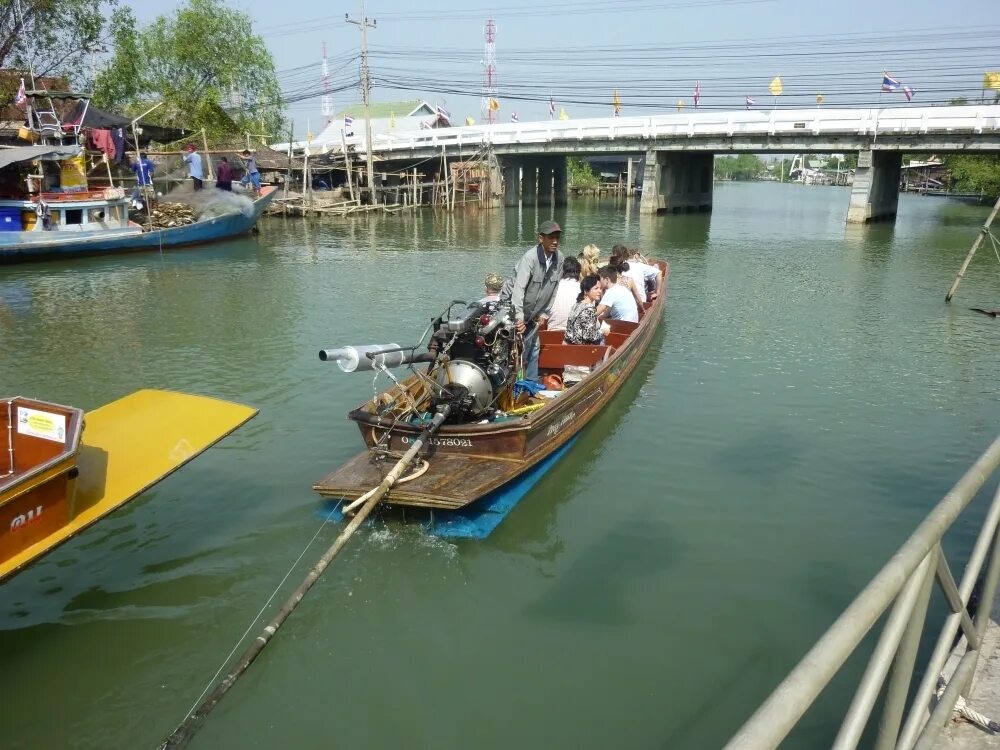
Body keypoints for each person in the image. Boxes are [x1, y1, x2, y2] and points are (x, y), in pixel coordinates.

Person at [499, 219, 565, 382]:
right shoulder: (530, 258)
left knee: (533, 348)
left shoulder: (560, 258)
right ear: (541, 238)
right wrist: (518, 318)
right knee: (515, 350)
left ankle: (530, 385)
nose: (555, 241)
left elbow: (554, 289)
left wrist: (545, 312)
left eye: (557, 237)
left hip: (534, 311)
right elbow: (518, 290)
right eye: (551, 237)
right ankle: (513, 386)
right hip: (512, 307)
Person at [564, 274, 605, 345]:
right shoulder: (589, 309)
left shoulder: (577, 304)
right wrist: (603, 331)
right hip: (582, 348)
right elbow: (589, 335)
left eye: (600, 288)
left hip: (571, 344)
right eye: (596, 288)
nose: (600, 291)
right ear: (586, 291)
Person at [546, 257, 581, 331]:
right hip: (576, 336)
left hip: (552, 333)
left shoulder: (552, 287)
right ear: (578, 272)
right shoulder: (584, 289)